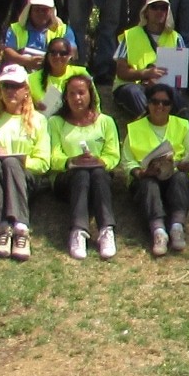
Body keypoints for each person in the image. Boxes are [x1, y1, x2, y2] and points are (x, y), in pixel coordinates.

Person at [0, 64, 51, 260]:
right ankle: (2, 227)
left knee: (11, 163)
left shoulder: (38, 120)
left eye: (16, 86)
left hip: (24, 179)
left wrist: (16, 157)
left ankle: (21, 228)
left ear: (26, 90)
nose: (11, 91)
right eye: (6, 86)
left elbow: (44, 162)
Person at [121, 84, 189, 256]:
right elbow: (128, 162)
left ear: (171, 106)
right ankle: (158, 231)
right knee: (148, 184)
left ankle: (177, 227)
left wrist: (186, 165)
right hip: (147, 178)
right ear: (148, 104)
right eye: (155, 102)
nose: (160, 106)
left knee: (180, 178)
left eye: (165, 103)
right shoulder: (134, 129)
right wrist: (141, 173)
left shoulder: (182, 126)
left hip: (175, 174)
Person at [48, 75, 121, 260]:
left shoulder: (106, 121)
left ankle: (106, 230)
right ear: (66, 97)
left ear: (91, 95)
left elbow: (113, 156)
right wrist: (73, 161)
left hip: (99, 178)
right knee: (81, 173)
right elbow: (53, 156)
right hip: (66, 179)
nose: (77, 98)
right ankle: (78, 231)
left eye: (81, 93)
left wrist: (99, 161)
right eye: (72, 94)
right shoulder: (55, 122)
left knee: (96, 172)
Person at [113, 0, 189, 119]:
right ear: (146, 12)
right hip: (134, 86)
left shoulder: (177, 38)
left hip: (163, 89)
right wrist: (145, 74)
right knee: (133, 92)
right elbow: (121, 71)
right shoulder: (131, 35)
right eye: (154, 7)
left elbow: (180, 80)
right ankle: (149, 124)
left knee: (174, 95)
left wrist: (161, 86)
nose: (159, 11)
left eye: (163, 8)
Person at [3, 0, 77, 70]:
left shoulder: (64, 30)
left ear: (51, 11)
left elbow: (72, 53)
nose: (41, 13)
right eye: (37, 9)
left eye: (45, 10)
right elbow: (8, 52)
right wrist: (26, 61)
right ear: (29, 10)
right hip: (22, 71)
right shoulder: (15, 28)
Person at [29, 37, 92, 113]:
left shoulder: (81, 73)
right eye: (53, 52)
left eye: (63, 53)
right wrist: (33, 105)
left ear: (70, 56)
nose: (57, 56)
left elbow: (94, 102)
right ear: (47, 55)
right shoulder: (32, 79)